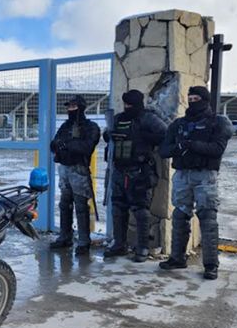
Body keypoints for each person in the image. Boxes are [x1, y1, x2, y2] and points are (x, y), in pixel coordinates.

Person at [158, 86, 233, 280]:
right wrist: (179, 147)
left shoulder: (218, 122)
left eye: (196, 99)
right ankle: (177, 258)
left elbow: (217, 148)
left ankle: (211, 265)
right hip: (182, 175)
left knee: (208, 218)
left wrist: (191, 145)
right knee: (179, 215)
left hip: (205, 175)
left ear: (205, 100)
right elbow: (164, 150)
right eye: (190, 99)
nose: (192, 102)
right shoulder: (178, 124)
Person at [103, 89, 167, 262]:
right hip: (119, 170)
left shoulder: (148, 119)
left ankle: (143, 247)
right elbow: (107, 135)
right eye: (125, 104)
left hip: (139, 172)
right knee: (118, 209)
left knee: (140, 211)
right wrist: (108, 135)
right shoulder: (118, 119)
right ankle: (119, 244)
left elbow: (165, 134)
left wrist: (143, 137)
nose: (127, 107)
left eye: (130, 104)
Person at [49, 95, 100, 255]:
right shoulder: (65, 126)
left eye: (73, 106)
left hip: (79, 170)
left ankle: (84, 241)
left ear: (81, 107)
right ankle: (65, 236)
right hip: (64, 168)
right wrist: (62, 145)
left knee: (81, 206)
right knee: (64, 205)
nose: (70, 109)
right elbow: (54, 144)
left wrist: (67, 145)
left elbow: (86, 147)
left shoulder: (90, 126)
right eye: (69, 107)